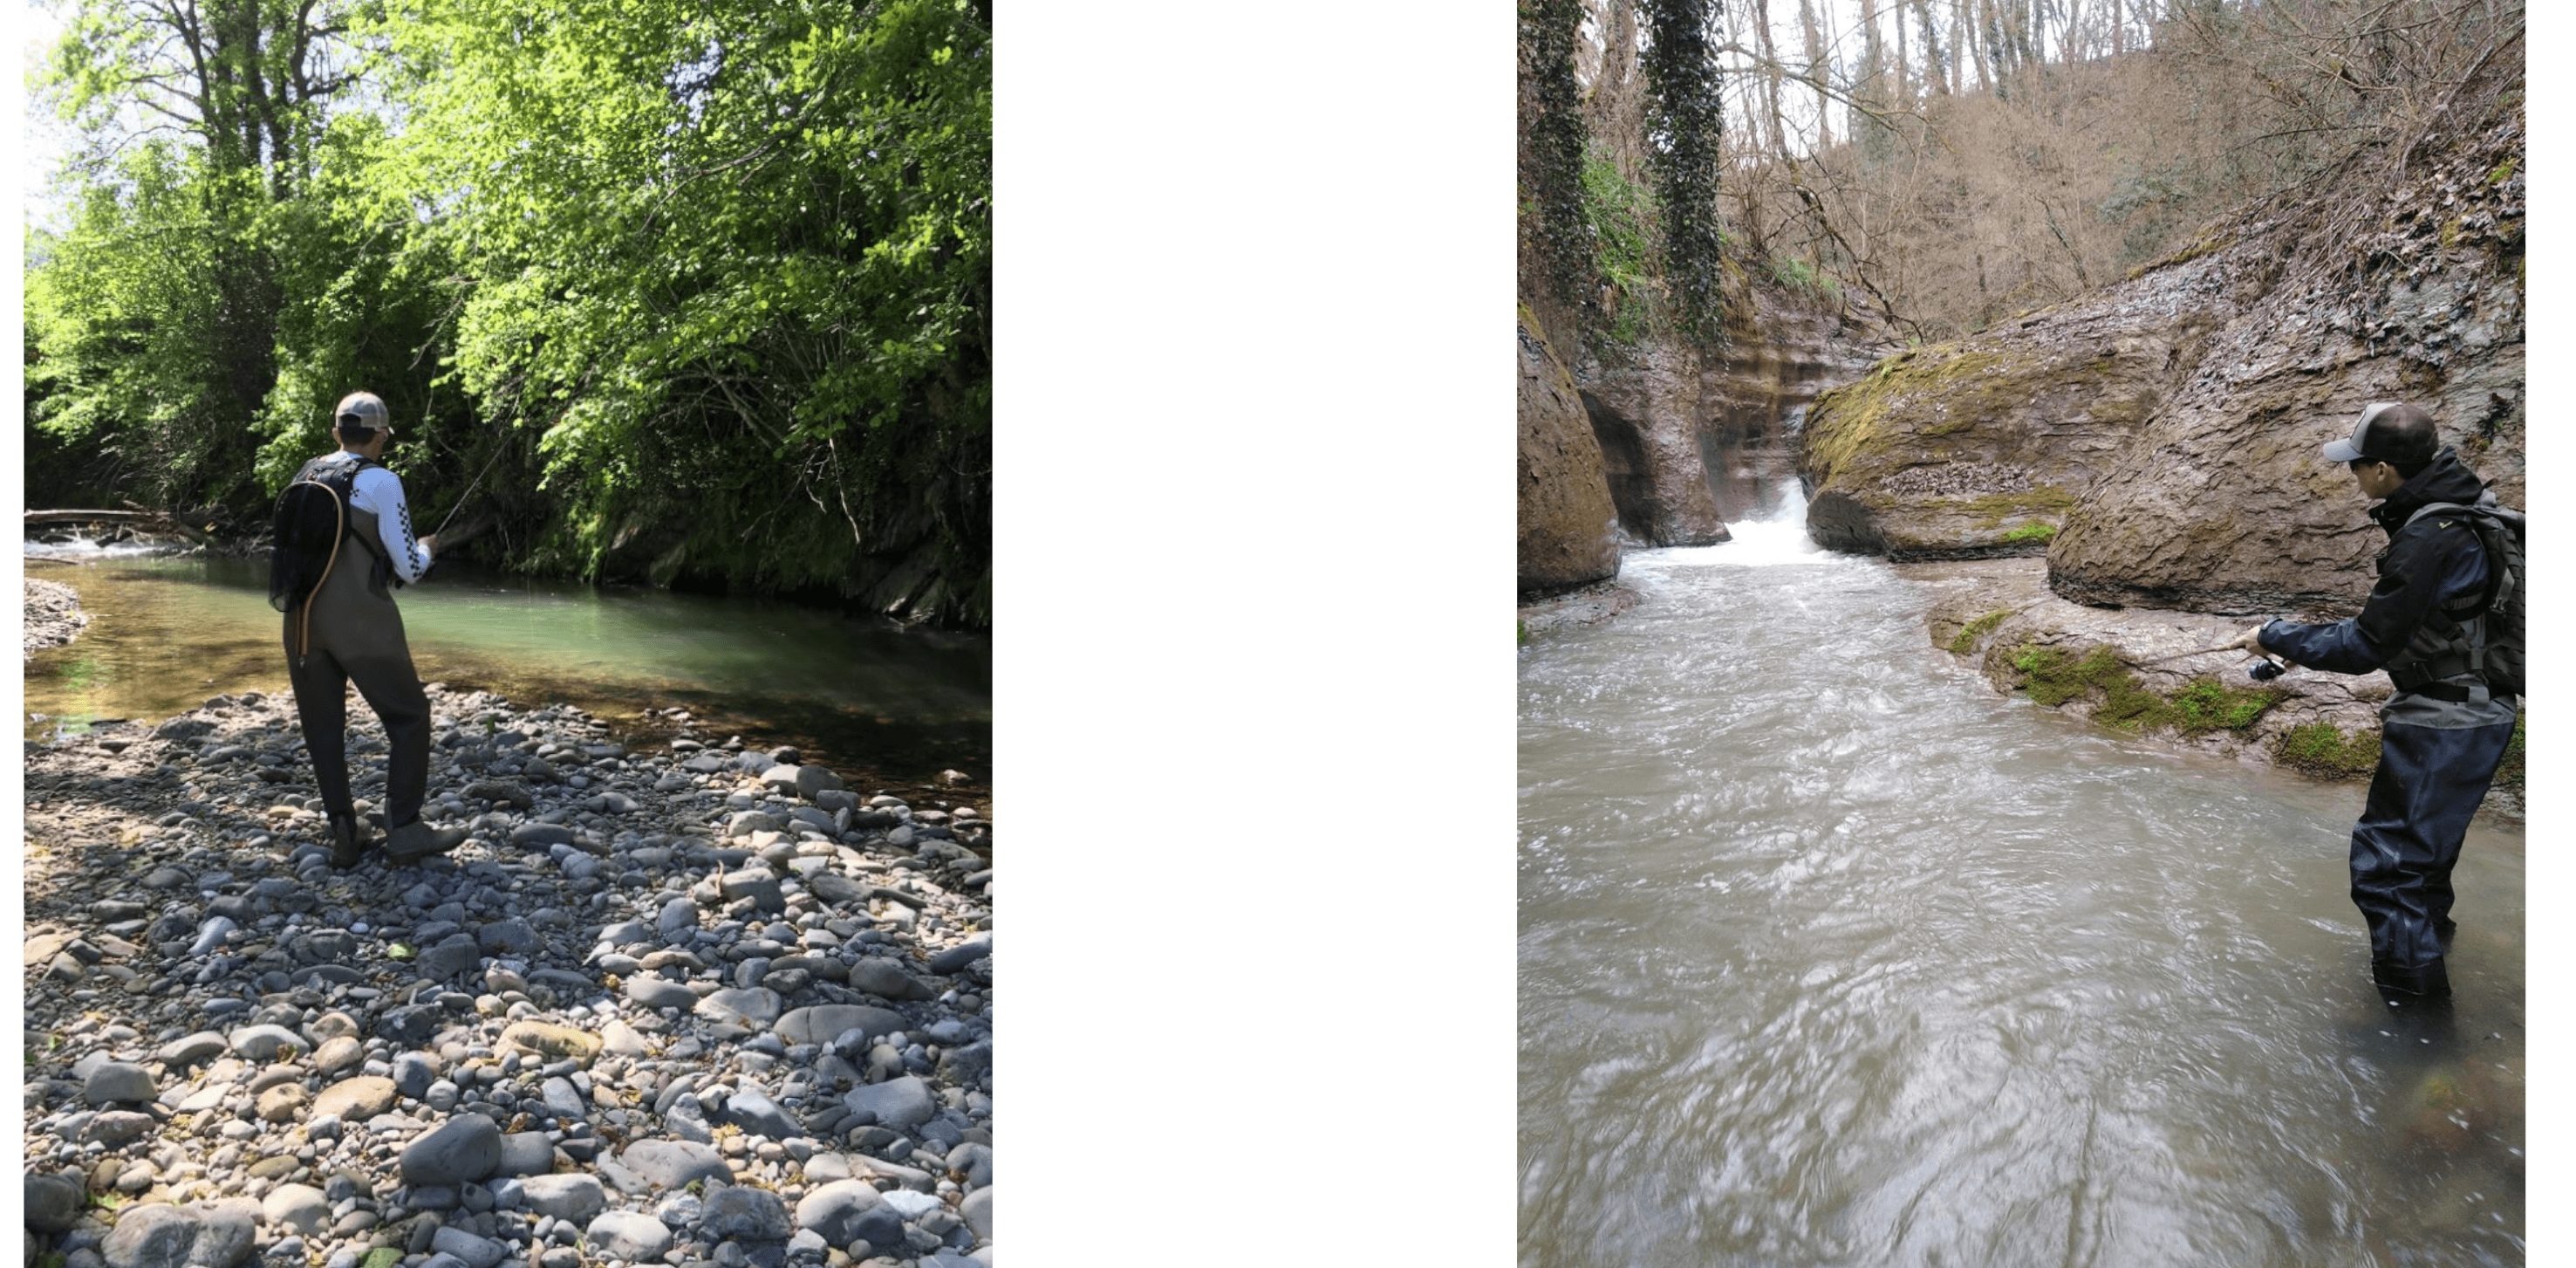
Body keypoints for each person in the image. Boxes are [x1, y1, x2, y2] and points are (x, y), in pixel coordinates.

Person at [2237, 401, 2518, 1000]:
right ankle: (2428, 954)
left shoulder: (2427, 535)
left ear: (2385, 469)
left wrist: (2274, 634)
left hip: (2443, 720)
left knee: (2387, 872)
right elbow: (2413, 621)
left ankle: (2414, 1022)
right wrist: (2296, 642)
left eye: (2357, 465)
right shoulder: (2465, 510)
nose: (2353, 476)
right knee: (2425, 861)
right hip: (2478, 708)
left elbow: (2368, 643)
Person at [284, 391, 469, 868]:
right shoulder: (382, 482)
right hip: (361, 625)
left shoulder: (304, 473)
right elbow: (408, 568)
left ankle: (345, 836)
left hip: (301, 625)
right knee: (409, 718)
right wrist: (428, 548)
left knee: (323, 730)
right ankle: (405, 830)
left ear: (335, 433)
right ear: (380, 436)